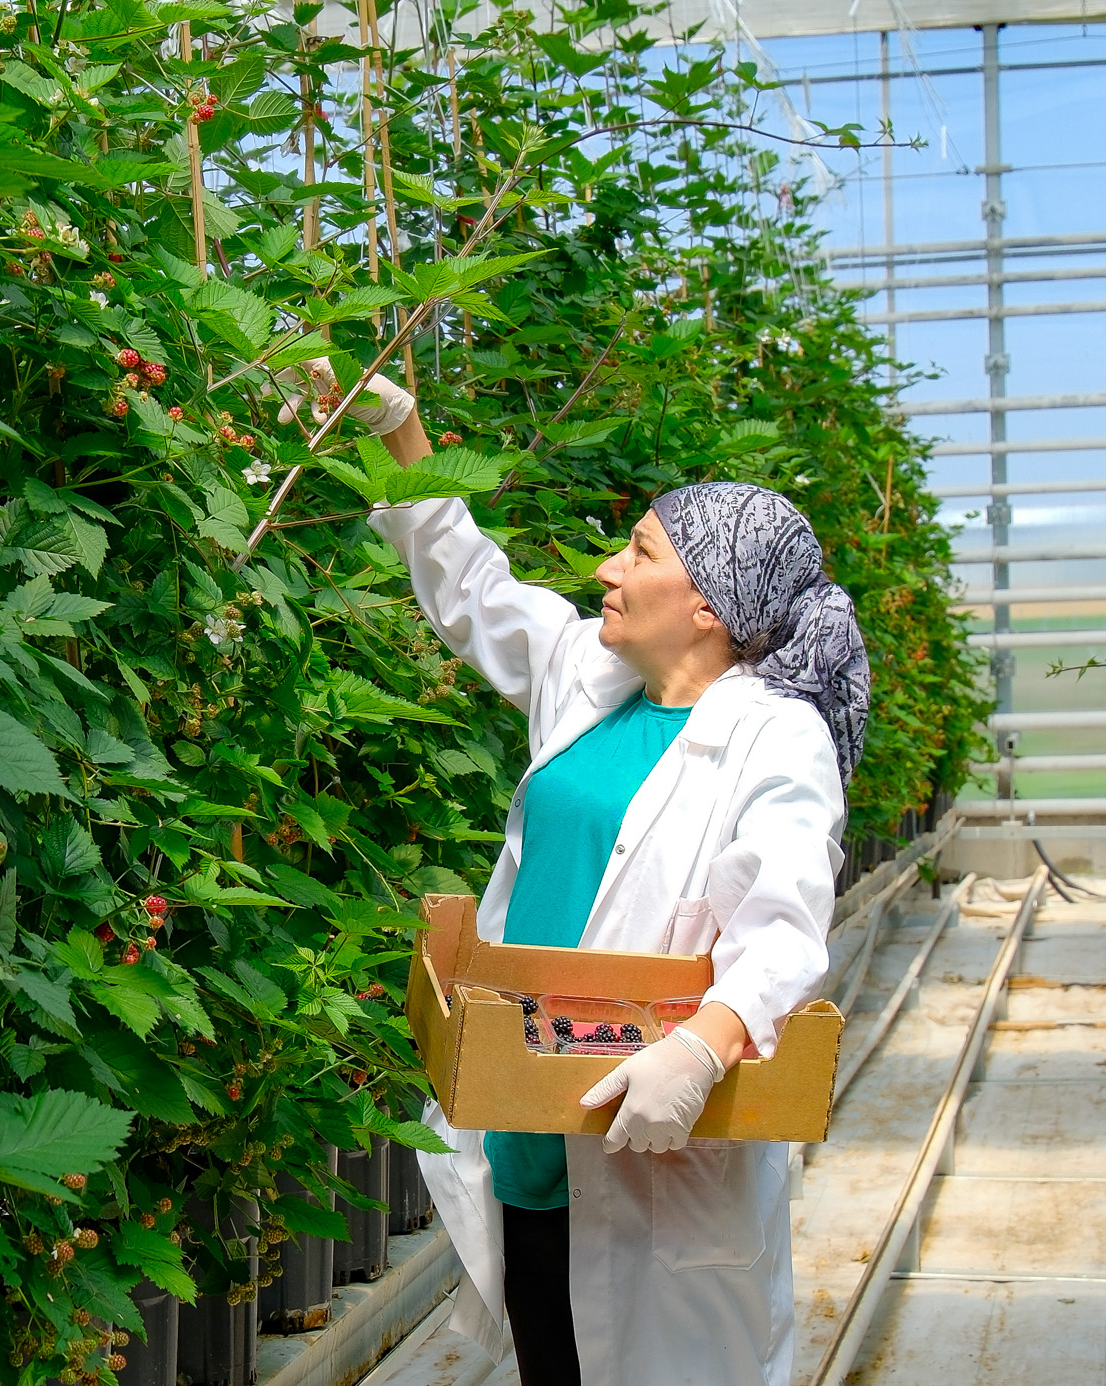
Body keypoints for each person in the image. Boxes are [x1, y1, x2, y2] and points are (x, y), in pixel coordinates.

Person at [280, 362, 869, 1386]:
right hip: (530, 1136)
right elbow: (469, 584)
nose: (605, 568)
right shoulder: (595, 684)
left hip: (648, 1144)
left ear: (706, 607)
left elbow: (782, 925)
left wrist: (699, 1054)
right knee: (552, 1359)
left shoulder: (772, 741)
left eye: (636, 551)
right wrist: (394, 430)